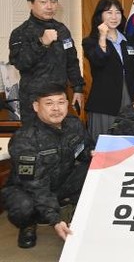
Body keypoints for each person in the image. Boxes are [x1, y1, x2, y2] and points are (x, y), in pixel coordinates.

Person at [0, 86, 94, 249]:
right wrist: (55, 220)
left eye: (61, 102)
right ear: (36, 106)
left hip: (61, 181)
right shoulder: (25, 138)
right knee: (22, 206)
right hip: (28, 189)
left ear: (67, 104)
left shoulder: (74, 124)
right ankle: (28, 224)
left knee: (92, 170)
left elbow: (83, 150)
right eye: (49, 103)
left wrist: (92, 154)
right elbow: (35, 185)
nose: (56, 108)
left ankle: (77, 215)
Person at [9, 0, 84, 124]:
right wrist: (42, 43)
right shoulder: (21, 32)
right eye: (43, 2)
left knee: (61, 134)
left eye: (53, 2)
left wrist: (78, 88)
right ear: (31, 4)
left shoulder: (62, 29)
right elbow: (20, 63)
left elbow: (72, 61)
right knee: (34, 136)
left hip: (59, 98)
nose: (50, 6)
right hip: (34, 101)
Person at [82, 0, 134, 141]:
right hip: (105, 101)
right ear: (100, 16)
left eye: (117, 12)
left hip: (130, 96)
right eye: (109, 12)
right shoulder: (90, 41)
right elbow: (99, 60)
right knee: (105, 143)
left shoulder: (128, 40)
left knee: (128, 141)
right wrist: (102, 37)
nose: (114, 17)